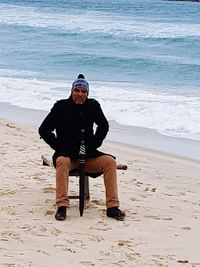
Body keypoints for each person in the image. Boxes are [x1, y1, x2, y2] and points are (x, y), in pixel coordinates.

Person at [38, 74, 125, 221]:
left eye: (83, 91)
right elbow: (44, 130)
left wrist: (95, 143)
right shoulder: (61, 107)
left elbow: (103, 126)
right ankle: (62, 206)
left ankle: (112, 207)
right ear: (72, 91)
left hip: (88, 155)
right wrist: (58, 146)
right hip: (67, 156)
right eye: (77, 90)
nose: (80, 94)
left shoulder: (93, 106)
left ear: (87, 93)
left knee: (110, 162)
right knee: (62, 161)